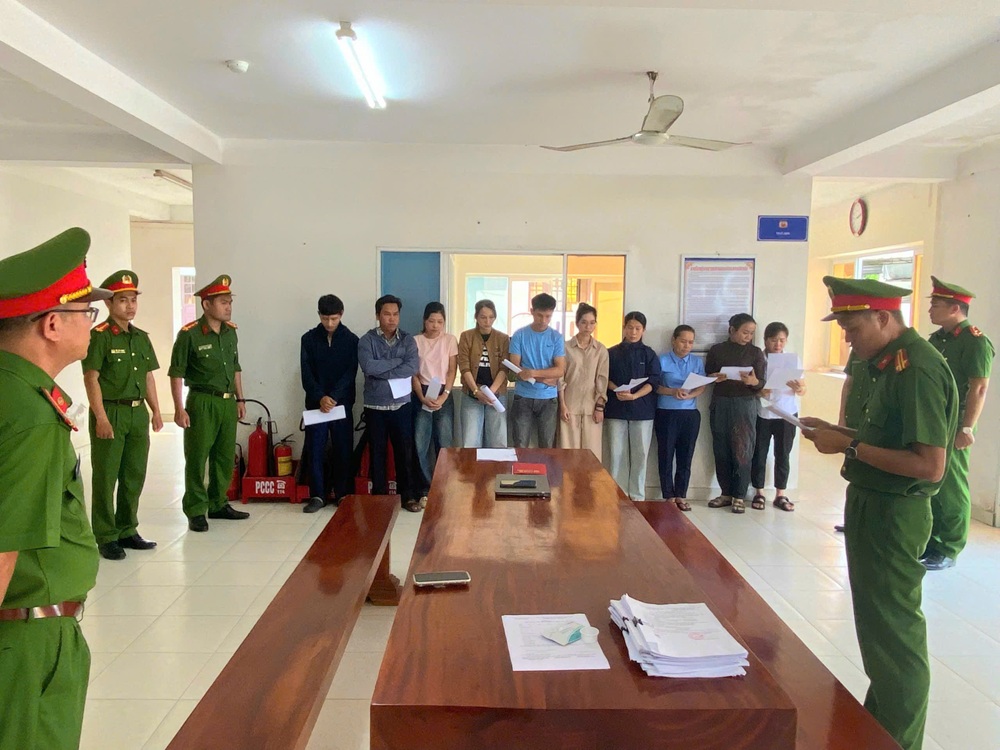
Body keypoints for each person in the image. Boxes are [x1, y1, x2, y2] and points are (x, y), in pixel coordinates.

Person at [802, 277, 958, 750]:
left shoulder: (917, 368)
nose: (848, 340)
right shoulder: (889, 363)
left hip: (896, 512)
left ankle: (899, 741)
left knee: (895, 638)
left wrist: (848, 445)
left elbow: (930, 466)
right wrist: (837, 431)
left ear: (883, 318)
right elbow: (886, 437)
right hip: (871, 502)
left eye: (852, 330)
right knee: (877, 632)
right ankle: (881, 728)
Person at [0, 228, 109, 749]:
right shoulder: (30, 415)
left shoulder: (11, 389)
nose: (94, 323)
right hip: (26, 642)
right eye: (87, 312)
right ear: (52, 324)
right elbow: (4, 546)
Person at [82, 270, 163, 560]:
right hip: (111, 411)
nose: (130, 306)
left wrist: (156, 409)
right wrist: (101, 417)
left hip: (137, 412)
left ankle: (128, 529)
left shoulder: (141, 338)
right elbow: (91, 378)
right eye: (123, 300)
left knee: (134, 474)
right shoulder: (100, 336)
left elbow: (149, 377)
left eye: (133, 300)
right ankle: (106, 535)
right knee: (106, 476)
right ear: (109, 303)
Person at [923, 276, 994, 570]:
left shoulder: (975, 341)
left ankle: (949, 547)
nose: (930, 310)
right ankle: (931, 540)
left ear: (955, 308)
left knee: (951, 485)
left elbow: (979, 387)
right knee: (931, 479)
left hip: (956, 423)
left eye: (936, 305)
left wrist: (967, 428)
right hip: (934, 419)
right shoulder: (937, 339)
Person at [169, 275, 249, 532]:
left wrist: (240, 398)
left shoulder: (230, 332)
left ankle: (218, 503)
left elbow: (235, 368)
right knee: (197, 456)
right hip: (202, 401)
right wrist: (179, 408)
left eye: (229, 302)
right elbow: (176, 373)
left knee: (224, 456)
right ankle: (195, 509)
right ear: (206, 304)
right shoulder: (189, 334)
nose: (228, 307)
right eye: (223, 302)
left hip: (227, 402)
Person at [358, 295, 422, 512]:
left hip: (402, 405)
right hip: (375, 406)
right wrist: (396, 362)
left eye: (395, 314)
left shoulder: (408, 340)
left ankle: (408, 497)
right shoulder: (366, 340)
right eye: (387, 314)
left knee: (405, 453)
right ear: (378, 315)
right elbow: (368, 367)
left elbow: (412, 367)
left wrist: (382, 369)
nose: (392, 318)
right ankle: (379, 498)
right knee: (377, 454)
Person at [300, 294, 359, 514]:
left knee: (343, 449)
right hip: (316, 405)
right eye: (325, 318)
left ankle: (343, 493)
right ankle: (317, 495)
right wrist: (320, 397)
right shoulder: (308, 339)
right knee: (315, 449)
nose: (330, 323)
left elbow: (350, 372)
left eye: (334, 318)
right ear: (319, 315)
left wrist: (333, 397)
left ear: (341, 315)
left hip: (341, 404)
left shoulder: (351, 340)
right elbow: (306, 373)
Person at [704, 313, 766, 514]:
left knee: (743, 449)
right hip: (721, 402)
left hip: (744, 404)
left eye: (751, 333)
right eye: (745, 332)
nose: (748, 336)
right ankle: (726, 493)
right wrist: (714, 377)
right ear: (732, 329)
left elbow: (762, 382)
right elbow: (707, 374)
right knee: (721, 448)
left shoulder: (755, 353)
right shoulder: (717, 350)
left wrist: (753, 382)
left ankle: (740, 496)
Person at [750, 322, 806, 512]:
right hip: (764, 412)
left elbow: (803, 388)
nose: (778, 344)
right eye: (774, 340)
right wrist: (761, 391)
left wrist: (799, 389)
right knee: (759, 453)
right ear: (765, 340)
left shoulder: (793, 360)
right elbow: (753, 388)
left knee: (783, 454)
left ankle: (780, 494)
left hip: (787, 413)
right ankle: (759, 492)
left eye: (782, 340)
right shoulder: (758, 359)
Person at [605, 311, 661, 500]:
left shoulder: (649, 354)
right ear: (624, 328)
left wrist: (635, 395)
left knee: (640, 453)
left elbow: (654, 381)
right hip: (616, 408)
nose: (633, 332)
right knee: (616, 453)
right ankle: (617, 493)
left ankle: (637, 496)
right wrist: (617, 390)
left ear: (644, 330)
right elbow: (604, 377)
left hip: (643, 410)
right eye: (630, 327)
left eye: (638, 328)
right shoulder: (611, 353)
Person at [654, 325, 707, 511]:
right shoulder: (662, 360)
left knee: (686, 455)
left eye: (690, 342)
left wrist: (690, 395)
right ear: (673, 340)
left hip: (690, 413)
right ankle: (668, 495)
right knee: (666, 455)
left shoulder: (696, 362)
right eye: (683, 341)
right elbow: (654, 386)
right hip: (666, 412)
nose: (687, 346)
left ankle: (681, 495)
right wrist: (672, 392)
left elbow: (702, 385)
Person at [412, 302, 458, 502]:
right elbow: (413, 373)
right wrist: (422, 397)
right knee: (420, 443)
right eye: (432, 321)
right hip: (421, 392)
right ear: (425, 321)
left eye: (440, 322)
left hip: (443, 392)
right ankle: (424, 489)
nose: (436, 325)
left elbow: (452, 370)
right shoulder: (415, 341)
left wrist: (445, 395)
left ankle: (444, 486)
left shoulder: (449, 340)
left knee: (444, 443)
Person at [509, 293, 566, 448]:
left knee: (547, 447)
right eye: (540, 315)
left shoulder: (556, 337)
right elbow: (515, 369)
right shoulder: (519, 335)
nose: (543, 320)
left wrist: (532, 373)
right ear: (532, 311)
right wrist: (545, 378)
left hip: (549, 398)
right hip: (523, 396)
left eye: (548, 316)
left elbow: (560, 370)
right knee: (520, 445)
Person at [558, 303, 608, 459]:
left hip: (591, 408)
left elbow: (602, 380)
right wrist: (562, 405)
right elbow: (560, 378)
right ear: (577, 323)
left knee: (591, 456)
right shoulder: (565, 348)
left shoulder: (601, 350)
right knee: (568, 455)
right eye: (584, 322)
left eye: (592, 323)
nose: (588, 327)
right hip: (569, 406)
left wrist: (599, 407)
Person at [457, 299, 510, 448]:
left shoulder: (503, 338)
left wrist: (491, 392)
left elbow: (504, 368)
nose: (487, 321)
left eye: (491, 317)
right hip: (471, 394)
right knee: (471, 441)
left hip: (496, 394)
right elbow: (464, 367)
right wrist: (476, 391)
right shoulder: (466, 336)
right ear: (476, 317)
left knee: (497, 441)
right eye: (483, 317)